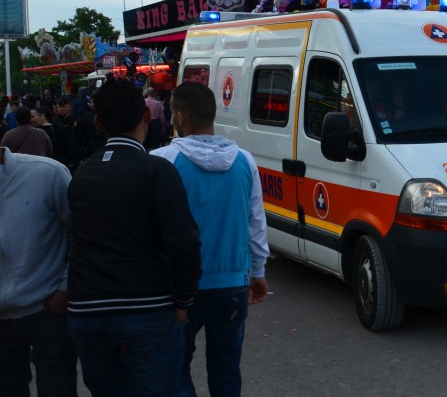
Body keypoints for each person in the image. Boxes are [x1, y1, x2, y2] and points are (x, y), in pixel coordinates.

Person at [66, 78, 202, 396]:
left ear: (98, 122)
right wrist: (184, 300)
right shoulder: (156, 171)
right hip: (146, 310)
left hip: (87, 313)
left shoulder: (83, 173)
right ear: (145, 116)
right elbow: (184, 243)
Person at [150, 82, 269, 397]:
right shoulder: (245, 161)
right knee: (226, 367)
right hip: (232, 283)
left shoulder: (161, 161)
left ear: (180, 117)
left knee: (176, 366)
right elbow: (256, 221)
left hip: (179, 289)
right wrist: (258, 273)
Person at [0, 148, 76, 397]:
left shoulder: (46, 173)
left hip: (47, 309)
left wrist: (65, 287)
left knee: (57, 388)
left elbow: (82, 233)